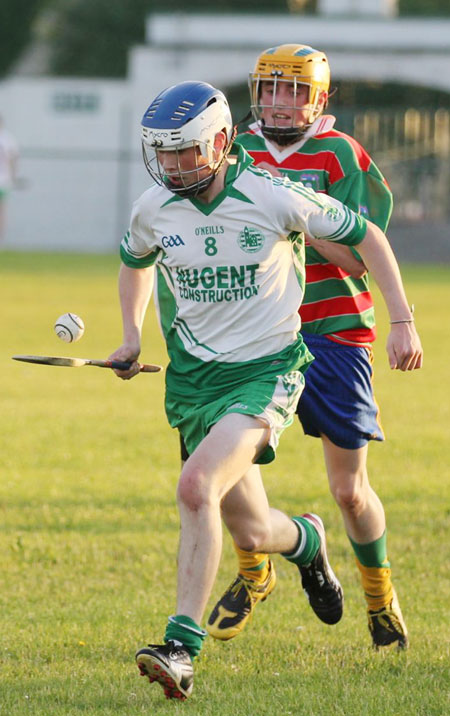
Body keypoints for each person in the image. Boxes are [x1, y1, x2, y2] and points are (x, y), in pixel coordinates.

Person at [109, 80, 422, 700]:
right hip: (195, 383)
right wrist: (130, 335)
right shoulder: (153, 207)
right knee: (253, 533)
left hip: (266, 373)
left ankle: (181, 648)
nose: (172, 165)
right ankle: (307, 540)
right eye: (162, 153)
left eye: (185, 151)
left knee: (195, 487)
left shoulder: (271, 193)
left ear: (222, 141)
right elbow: (135, 259)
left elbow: (369, 238)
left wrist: (402, 319)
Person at [206, 44, 419, 651]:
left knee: (349, 489)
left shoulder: (340, 154)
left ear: (318, 98)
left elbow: (358, 254)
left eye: (293, 90)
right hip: (258, 334)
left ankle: (380, 597)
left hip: (334, 332)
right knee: (227, 470)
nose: (278, 102)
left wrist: (296, 212)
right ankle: (256, 572)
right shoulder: (235, 151)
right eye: (269, 88)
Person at [0, 115, 19, 244]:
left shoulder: (7, 138)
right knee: (2, 212)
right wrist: (13, 178)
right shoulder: (8, 139)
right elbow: (13, 160)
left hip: (3, 181)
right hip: (3, 181)